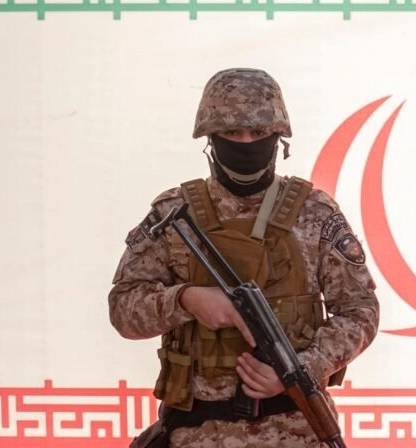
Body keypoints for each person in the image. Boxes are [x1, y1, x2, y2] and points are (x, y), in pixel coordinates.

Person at [109, 68, 380, 447]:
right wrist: (185, 300)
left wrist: (301, 369)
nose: (246, 142)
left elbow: (360, 310)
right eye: (233, 133)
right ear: (211, 138)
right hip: (196, 433)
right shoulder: (174, 213)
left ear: (278, 138)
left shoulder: (314, 212)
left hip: (295, 433)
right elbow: (123, 308)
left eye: (258, 133)